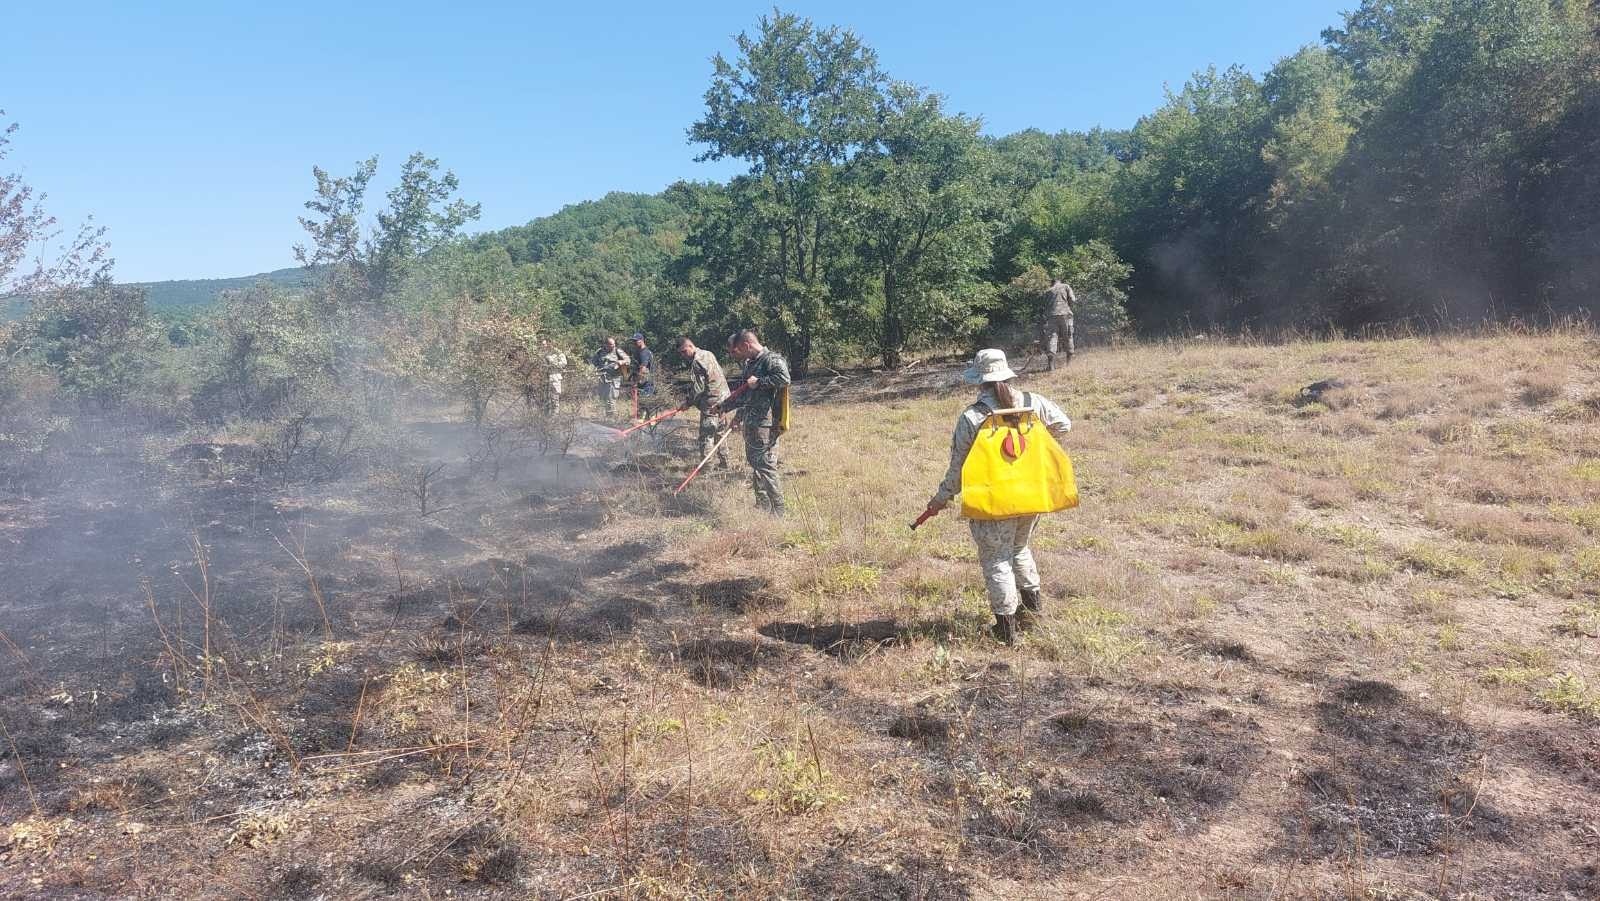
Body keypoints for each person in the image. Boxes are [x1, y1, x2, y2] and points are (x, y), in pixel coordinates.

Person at [925, 348, 1073, 645]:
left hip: (992, 501)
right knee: (1019, 549)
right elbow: (1064, 425)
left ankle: (1007, 632)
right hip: (1031, 494)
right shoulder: (1033, 403)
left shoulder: (973, 416)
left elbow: (958, 469)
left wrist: (940, 499)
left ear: (979, 381)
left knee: (996, 560)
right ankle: (1032, 615)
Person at [713, 329, 790, 514]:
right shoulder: (750, 364)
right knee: (756, 463)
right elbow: (746, 394)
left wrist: (760, 381)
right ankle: (762, 505)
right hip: (751, 420)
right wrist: (726, 408)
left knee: (764, 464)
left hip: (766, 422)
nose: (735, 355)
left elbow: (785, 379)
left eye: (737, 350)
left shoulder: (772, 359)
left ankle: (779, 510)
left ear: (747, 345)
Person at [677, 336, 731, 470]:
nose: (683, 355)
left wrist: (688, 403)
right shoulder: (708, 353)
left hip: (711, 403)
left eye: (684, 351)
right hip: (725, 399)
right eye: (681, 353)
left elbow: (698, 389)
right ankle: (725, 464)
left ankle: (707, 469)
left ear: (690, 345)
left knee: (706, 436)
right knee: (720, 433)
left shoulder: (696, 362)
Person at [1041, 277, 1076, 370]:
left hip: (1051, 316)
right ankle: (1069, 365)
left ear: (1052, 283)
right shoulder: (1066, 286)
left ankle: (1051, 367)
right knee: (1068, 336)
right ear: (1059, 281)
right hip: (1065, 315)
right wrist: (1069, 308)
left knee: (1052, 338)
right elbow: (1073, 299)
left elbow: (1044, 306)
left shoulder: (1048, 291)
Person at [590, 337, 628, 418]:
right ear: (606, 345)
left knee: (611, 398)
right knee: (602, 398)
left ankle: (611, 418)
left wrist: (621, 362)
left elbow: (628, 359)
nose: (613, 346)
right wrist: (593, 369)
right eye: (611, 344)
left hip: (613, 379)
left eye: (614, 344)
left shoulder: (618, 351)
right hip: (602, 378)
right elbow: (593, 362)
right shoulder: (600, 352)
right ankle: (602, 417)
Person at [541, 338, 568, 415]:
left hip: (555, 376)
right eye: (542, 344)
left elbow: (564, 363)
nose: (544, 346)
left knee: (555, 397)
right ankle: (546, 415)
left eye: (545, 344)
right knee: (546, 397)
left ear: (550, 343)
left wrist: (552, 362)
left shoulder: (557, 352)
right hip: (545, 377)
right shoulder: (544, 353)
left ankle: (555, 416)